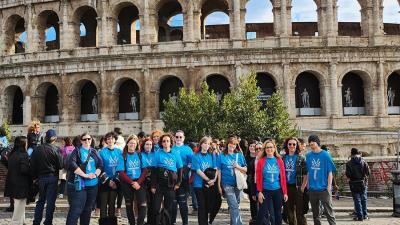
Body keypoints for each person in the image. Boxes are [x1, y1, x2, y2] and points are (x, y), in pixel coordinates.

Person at [66, 132, 103, 225]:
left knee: (87, 210)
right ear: (81, 141)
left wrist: (95, 175)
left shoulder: (94, 151)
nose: (87, 141)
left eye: (89, 139)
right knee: (76, 210)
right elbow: (72, 164)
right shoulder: (77, 151)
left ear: (91, 140)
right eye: (84, 139)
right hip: (80, 186)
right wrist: (85, 175)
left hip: (93, 186)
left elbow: (100, 165)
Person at [30, 129, 63, 225]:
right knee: (50, 202)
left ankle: (36, 222)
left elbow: (32, 164)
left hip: (41, 178)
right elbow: (61, 165)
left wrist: (34, 177)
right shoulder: (56, 149)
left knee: (41, 200)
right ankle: (48, 222)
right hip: (52, 177)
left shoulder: (37, 149)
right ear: (54, 138)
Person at [151, 133, 183, 225]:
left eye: (167, 141)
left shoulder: (175, 154)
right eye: (164, 141)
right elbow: (153, 171)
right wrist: (153, 185)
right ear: (161, 143)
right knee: (156, 208)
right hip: (159, 184)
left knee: (168, 208)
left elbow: (180, 169)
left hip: (171, 184)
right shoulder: (157, 154)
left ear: (170, 142)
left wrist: (178, 183)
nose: (165, 143)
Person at [305, 135, 336, 225]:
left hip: (324, 189)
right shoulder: (308, 156)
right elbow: (308, 171)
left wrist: (329, 187)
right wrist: (307, 185)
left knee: (329, 212)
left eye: (313, 142)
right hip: (312, 189)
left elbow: (330, 172)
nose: (311, 143)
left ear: (317, 142)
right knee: (315, 214)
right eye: (310, 142)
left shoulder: (325, 155)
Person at [255, 139, 288, 225]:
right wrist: (259, 192)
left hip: (278, 190)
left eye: (271, 147)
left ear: (274, 148)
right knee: (262, 212)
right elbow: (258, 178)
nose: (269, 149)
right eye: (267, 147)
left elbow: (283, 177)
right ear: (265, 149)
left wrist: (285, 192)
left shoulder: (279, 160)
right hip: (265, 190)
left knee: (278, 213)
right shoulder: (261, 161)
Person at [118, 135, 148, 225]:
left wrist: (138, 182)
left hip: (139, 182)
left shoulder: (140, 155)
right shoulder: (122, 156)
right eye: (131, 143)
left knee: (143, 204)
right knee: (129, 205)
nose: (132, 145)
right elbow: (121, 172)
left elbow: (145, 170)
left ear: (137, 145)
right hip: (127, 183)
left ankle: (139, 223)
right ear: (127, 144)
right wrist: (132, 182)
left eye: (134, 143)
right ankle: (131, 223)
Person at [217, 137, 247, 225]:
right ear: (227, 144)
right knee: (234, 205)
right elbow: (219, 171)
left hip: (238, 183)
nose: (232, 145)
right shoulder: (221, 155)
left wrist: (237, 167)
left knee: (235, 205)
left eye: (234, 144)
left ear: (236, 145)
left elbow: (245, 169)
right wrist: (219, 185)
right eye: (231, 143)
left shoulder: (239, 155)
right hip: (226, 184)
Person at [191, 136, 219, 225]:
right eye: (205, 143)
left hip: (210, 184)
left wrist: (213, 180)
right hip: (198, 185)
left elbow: (216, 169)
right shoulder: (196, 156)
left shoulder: (212, 155)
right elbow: (198, 171)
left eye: (208, 143)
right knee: (202, 206)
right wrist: (208, 180)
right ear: (201, 144)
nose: (207, 145)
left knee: (207, 206)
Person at [99, 132, 124, 224]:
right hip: (104, 181)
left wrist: (115, 181)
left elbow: (121, 167)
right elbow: (100, 167)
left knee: (112, 204)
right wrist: (108, 181)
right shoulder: (101, 152)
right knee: (103, 204)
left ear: (115, 140)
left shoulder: (120, 152)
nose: (110, 140)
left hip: (116, 181)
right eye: (108, 139)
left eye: (112, 138)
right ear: (106, 140)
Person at [282, 137, 308, 225]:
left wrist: (303, 187)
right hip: (287, 188)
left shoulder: (301, 158)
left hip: (298, 187)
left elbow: (306, 174)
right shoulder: (283, 158)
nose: (292, 146)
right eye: (290, 144)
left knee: (300, 212)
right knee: (289, 212)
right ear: (287, 145)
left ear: (297, 146)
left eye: (294, 144)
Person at [5, 136, 30, 225]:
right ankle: (15, 223)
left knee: (19, 205)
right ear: (23, 144)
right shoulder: (24, 155)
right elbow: (24, 170)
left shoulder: (12, 154)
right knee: (19, 205)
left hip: (12, 182)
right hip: (21, 184)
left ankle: (22, 222)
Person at [171, 130, 193, 225]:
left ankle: (185, 222)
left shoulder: (188, 149)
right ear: (174, 138)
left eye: (180, 137)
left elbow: (191, 162)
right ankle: (172, 221)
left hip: (183, 179)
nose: (178, 139)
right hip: (172, 178)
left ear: (183, 138)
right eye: (177, 137)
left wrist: (186, 170)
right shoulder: (171, 148)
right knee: (173, 202)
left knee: (183, 202)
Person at [346, 148, 370, 221]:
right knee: (364, 199)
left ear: (352, 154)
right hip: (363, 182)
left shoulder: (349, 163)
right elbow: (368, 172)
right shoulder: (363, 161)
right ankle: (365, 215)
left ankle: (359, 216)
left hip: (353, 183)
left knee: (357, 200)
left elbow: (348, 174)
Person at [140, 138, 156, 225]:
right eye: (147, 144)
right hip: (143, 181)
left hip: (153, 182)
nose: (148, 146)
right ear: (143, 145)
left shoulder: (155, 154)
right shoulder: (140, 154)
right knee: (143, 203)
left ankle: (151, 221)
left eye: (150, 144)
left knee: (153, 203)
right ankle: (141, 221)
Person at [245, 141, 259, 225]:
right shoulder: (245, 157)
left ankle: (259, 219)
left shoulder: (259, 158)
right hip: (249, 183)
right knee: (253, 202)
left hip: (258, 182)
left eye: (254, 146)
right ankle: (254, 219)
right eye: (250, 146)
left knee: (258, 202)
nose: (252, 147)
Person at [114, 127, 125, 217]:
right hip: (121, 170)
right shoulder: (124, 142)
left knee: (113, 191)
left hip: (114, 169)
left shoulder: (115, 144)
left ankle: (114, 209)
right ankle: (118, 209)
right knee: (120, 192)